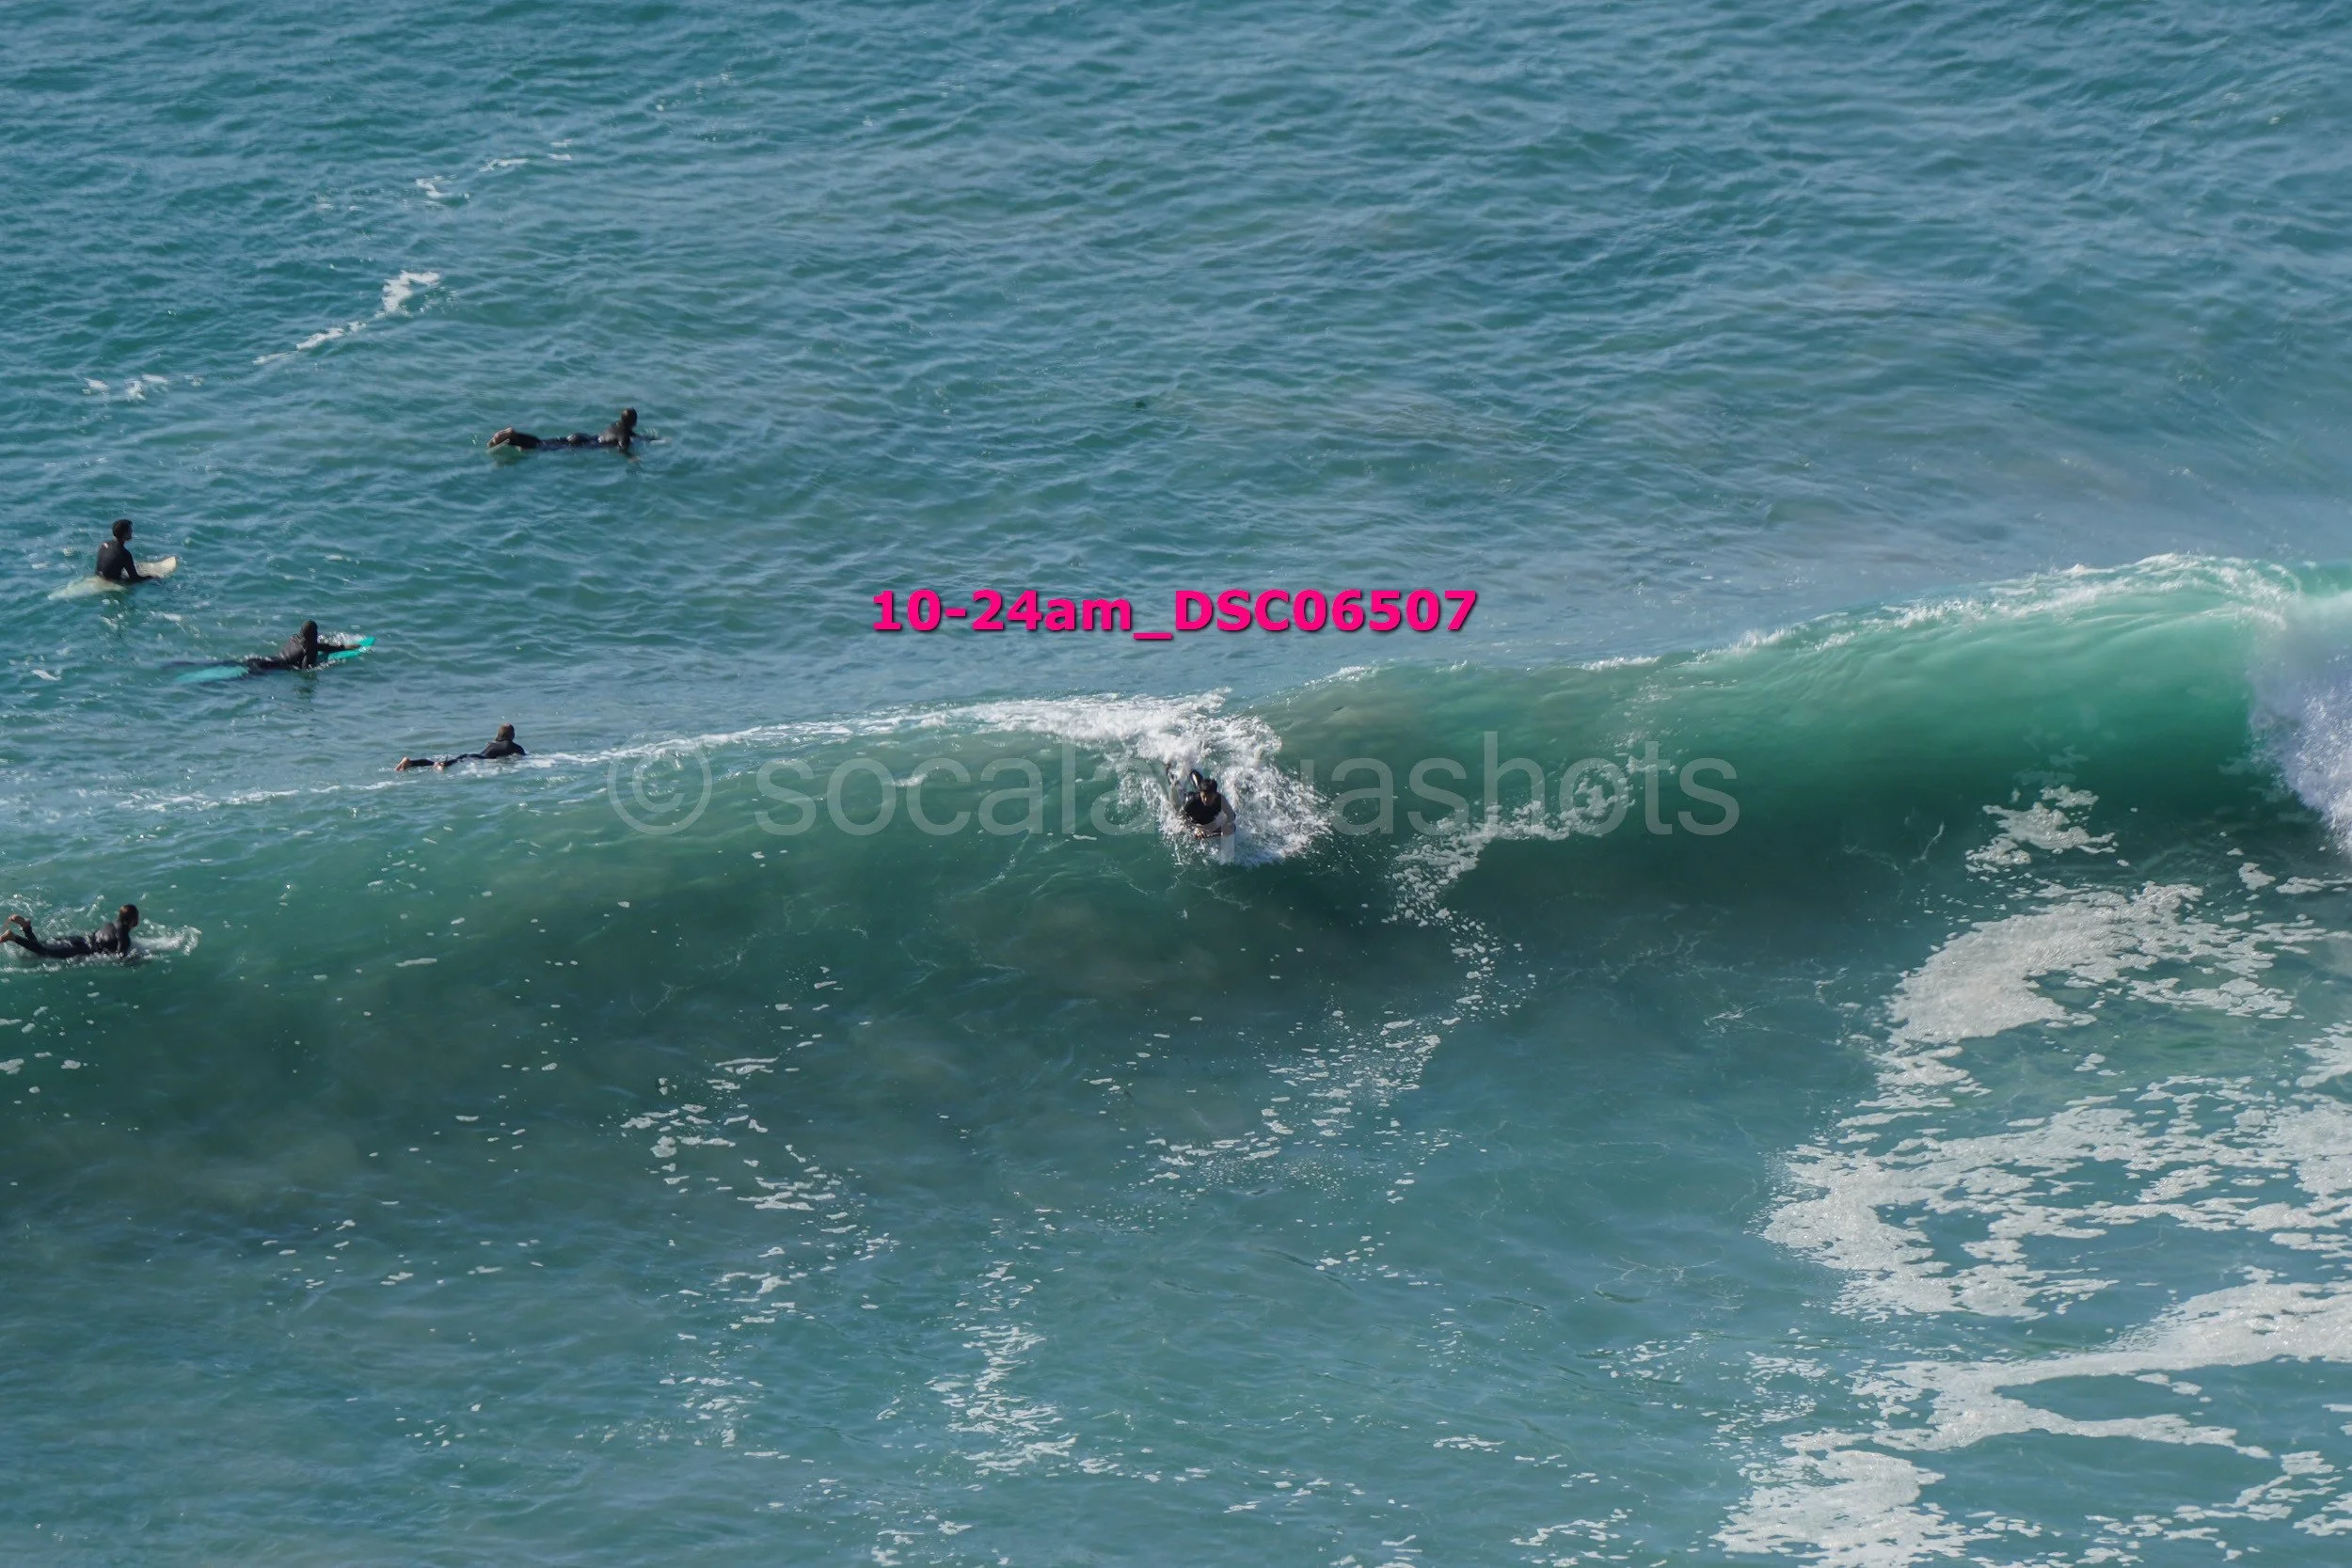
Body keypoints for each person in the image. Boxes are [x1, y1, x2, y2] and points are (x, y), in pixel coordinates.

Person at [3, 905, 139, 961]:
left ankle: (26, 927)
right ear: (132, 920)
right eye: (137, 917)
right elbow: (121, 959)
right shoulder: (124, 938)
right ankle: (13, 937)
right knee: (44, 951)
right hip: (84, 949)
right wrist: (137, 960)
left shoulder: (110, 924)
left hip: (81, 939)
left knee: (42, 945)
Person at [489, 408, 638, 453]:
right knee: (542, 447)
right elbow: (622, 448)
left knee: (543, 442)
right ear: (634, 422)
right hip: (583, 445)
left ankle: (515, 437)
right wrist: (632, 458)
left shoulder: (615, 425)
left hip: (582, 437)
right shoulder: (624, 434)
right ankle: (514, 438)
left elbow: (634, 436)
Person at [245, 620, 362, 674]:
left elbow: (318, 646)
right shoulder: (310, 648)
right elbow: (305, 669)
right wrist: (329, 666)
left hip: (265, 659)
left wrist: (342, 647)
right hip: (273, 668)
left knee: (241, 664)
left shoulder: (295, 637)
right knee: (244, 678)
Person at [397, 723, 526, 772]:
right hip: (478, 760)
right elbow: (523, 758)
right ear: (512, 735)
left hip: (473, 756)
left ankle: (411, 762)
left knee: (446, 762)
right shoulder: (515, 747)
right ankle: (413, 763)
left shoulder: (491, 744)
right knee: (444, 765)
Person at [1176, 768, 1235, 838]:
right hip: (1194, 816)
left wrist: (1225, 826)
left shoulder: (1220, 800)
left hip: (1208, 819)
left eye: (1210, 797)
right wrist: (1196, 830)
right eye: (1204, 796)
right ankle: (1188, 770)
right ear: (1200, 794)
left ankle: (1191, 770)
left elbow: (1231, 816)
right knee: (1181, 789)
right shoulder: (1191, 801)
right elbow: (1182, 819)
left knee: (1231, 828)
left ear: (1215, 795)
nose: (1206, 800)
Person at [94, 518, 151, 584]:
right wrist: (151, 577)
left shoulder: (104, 544)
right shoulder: (124, 554)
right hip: (112, 581)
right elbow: (135, 578)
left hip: (99, 576)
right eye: (130, 530)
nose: (132, 531)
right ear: (125, 533)